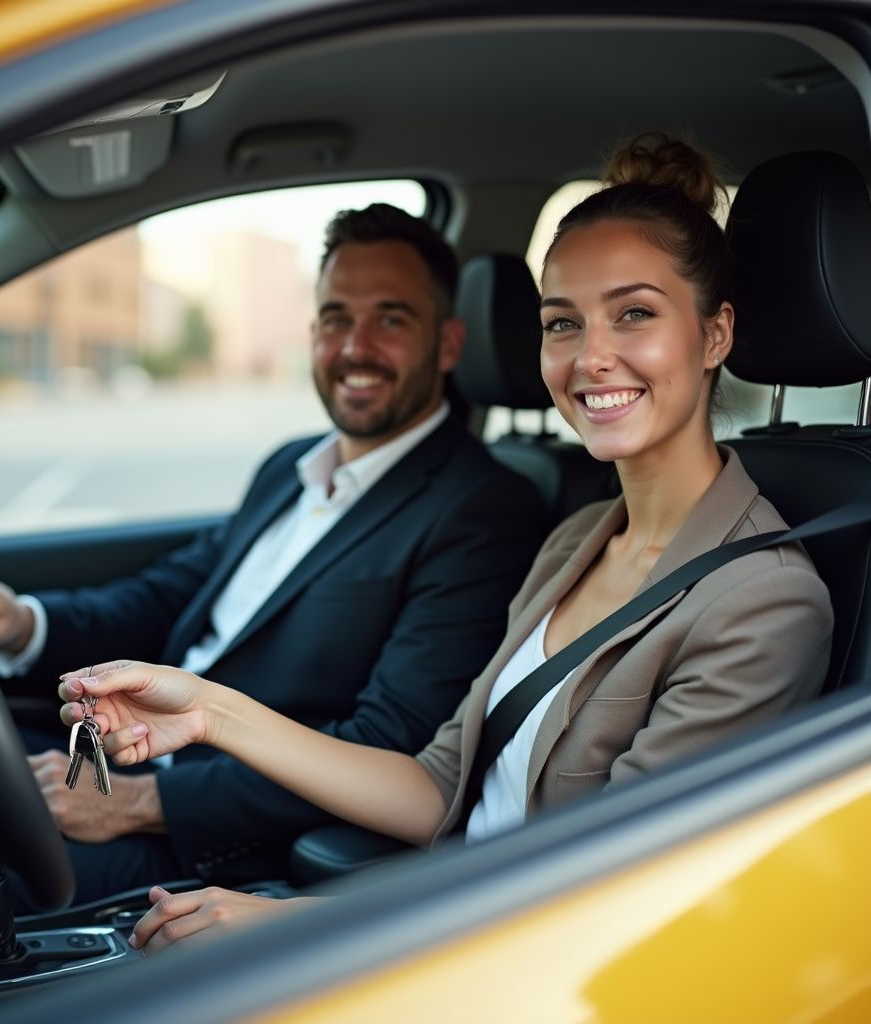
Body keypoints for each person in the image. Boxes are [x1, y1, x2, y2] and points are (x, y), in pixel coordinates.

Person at [55, 135, 833, 953]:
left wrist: (305, 930)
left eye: (634, 314)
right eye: (562, 323)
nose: (590, 357)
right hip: (445, 916)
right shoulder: (577, 541)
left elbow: (614, 900)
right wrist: (206, 712)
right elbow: (436, 790)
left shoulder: (762, 602)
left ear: (715, 335)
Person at [0, 204, 543, 918]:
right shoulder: (290, 468)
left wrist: (142, 802)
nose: (354, 347)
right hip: (122, 753)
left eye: (391, 319)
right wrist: (20, 623)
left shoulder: (482, 509)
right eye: (336, 318)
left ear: (447, 343)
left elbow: (388, 745)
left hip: (211, 836)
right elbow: (167, 598)